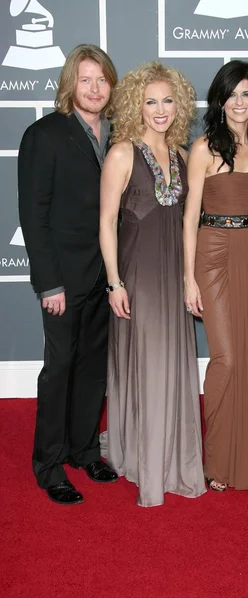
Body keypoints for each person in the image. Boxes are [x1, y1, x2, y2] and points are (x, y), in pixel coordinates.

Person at [99, 62, 206, 507]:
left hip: (171, 276)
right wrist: (114, 283)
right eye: (150, 101)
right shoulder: (122, 152)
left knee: (172, 366)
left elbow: (188, 224)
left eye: (167, 100)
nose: (159, 110)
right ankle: (142, 457)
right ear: (135, 106)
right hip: (137, 278)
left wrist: (189, 279)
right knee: (145, 366)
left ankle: (172, 457)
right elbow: (105, 223)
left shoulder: (181, 156)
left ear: (177, 104)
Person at [18, 44, 119, 505]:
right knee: (59, 369)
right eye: (86, 80)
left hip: (106, 275)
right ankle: (50, 463)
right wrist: (49, 283)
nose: (95, 88)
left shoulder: (118, 136)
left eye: (102, 80)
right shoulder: (45, 134)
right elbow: (33, 215)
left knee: (93, 368)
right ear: (70, 85)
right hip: (64, 277)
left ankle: (82, 449)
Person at [183, 61, 248, 492]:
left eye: (247, 94)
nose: (239, 102)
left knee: (247, 355)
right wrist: (188, 277)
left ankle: (241, 453)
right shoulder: (203, 148)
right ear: (219, 100)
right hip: (214, 253)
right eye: (232, 94)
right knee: (227, 358)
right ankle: (216, 459)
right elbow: (188, 219)